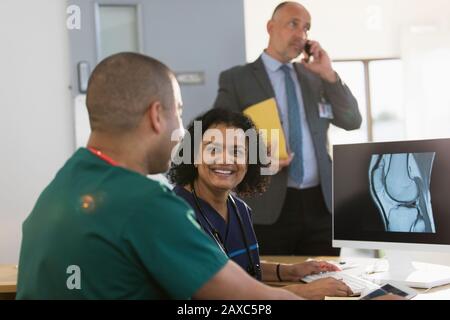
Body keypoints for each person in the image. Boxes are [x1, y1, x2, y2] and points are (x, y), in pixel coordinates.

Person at [213, 1, 362, 256]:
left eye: (306, 28)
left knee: (323, 283)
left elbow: (351, 121)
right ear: (270, 27)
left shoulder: (315, 77)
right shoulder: (237, 78)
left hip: (321, 206)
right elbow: (217, 137)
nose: (301, 35)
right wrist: (255, 156)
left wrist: (329, 75)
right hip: (266, 205)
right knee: (274, 285)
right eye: (294, 24)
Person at [168, 108, 353, 299]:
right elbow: (212, 292)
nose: (225, 159)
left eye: (237, 151)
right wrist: (301, 292)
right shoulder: (178, 214)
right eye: (213, 149)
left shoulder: (239, 209)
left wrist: (290, 271)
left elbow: (241, 267)